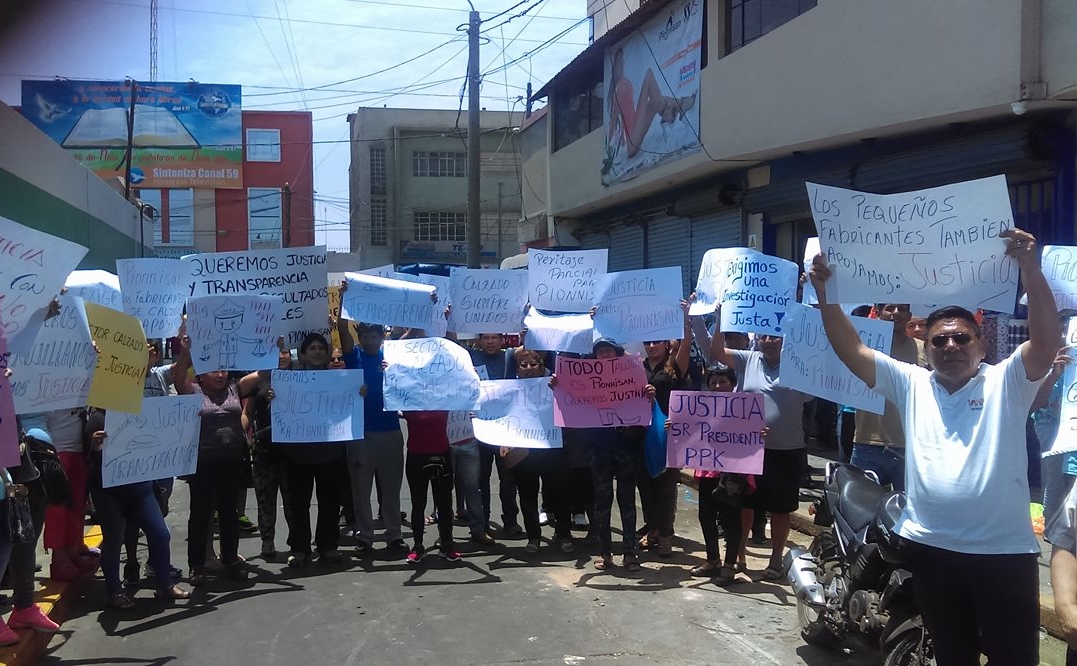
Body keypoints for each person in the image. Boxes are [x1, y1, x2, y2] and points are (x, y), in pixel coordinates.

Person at [810, 227, 1058, 665]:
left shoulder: (1008, 382)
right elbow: (850, 349)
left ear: (981, 346)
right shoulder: (912, 384)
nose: (950, 345)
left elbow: (1045, 343)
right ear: (927, 345)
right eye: (939, 339)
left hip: (1003, 556)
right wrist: (826, 294)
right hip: (933, 553)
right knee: (951, 656)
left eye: (962, 337)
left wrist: (1030, 271)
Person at [709, 321, 811, 581]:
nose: (768, 340)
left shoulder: (801, 365)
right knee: (745, 505)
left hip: (787, 448)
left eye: (774, 336)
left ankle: (776, 559)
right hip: (749, 448)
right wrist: (722, 318)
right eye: (763, 336)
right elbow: (718, 352)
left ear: (784, 339)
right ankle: (738, 553)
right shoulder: (748, 359)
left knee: (780, 508)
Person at [554, 338, 647, 572]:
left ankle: (629, 552)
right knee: (602, 503)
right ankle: (605, 552)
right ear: (594, 357)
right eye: (600, 352)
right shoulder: (587, 379)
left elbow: (643, 400)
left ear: (616, 353)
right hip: (600, 449)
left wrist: (649, 393)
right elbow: (569, 393)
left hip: (626, 447)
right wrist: (557, 384)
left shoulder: (632, 375)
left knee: (627, 501)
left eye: (609, 351)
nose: (604, 355)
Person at [173, 335, 260, 586]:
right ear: (200, 374)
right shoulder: (193, 391)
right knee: (200, 514)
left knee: (229, 513)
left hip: (231, 462)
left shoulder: (236, 387)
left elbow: (262, 373)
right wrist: (186, 352)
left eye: (223, 369)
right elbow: (179, 377)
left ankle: (230, 558)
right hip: (202, 463)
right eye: (213, 370)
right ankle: (197, 565)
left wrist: (271, 348)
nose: (220, 375)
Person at [84, 407, 190, 608]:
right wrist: (96, 447)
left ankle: (164, 584)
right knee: (114, 540)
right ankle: (114, 591)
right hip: (108, 492)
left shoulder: (142, 412)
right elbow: (88, 459)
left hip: (140, 486)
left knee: (160, 534)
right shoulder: (97, 418)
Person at [274, 333, 351, 567]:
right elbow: (270, 384)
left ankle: (328, 546)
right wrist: (272, 394)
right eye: (312, 349)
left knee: (329, 502)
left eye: (321, 348)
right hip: (298, 453)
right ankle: (299, 548)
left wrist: (359, 392)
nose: (317, 352)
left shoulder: (340, 378)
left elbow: (350, 406)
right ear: (303, 354)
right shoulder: (289, 379)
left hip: (331, 452)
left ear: (327, 353)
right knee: (298, 503)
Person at [339, 320, 407, 556]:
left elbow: (415, 336)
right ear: (360, 338)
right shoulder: (353, 356)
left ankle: (394, 534)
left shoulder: (393, 355)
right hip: (360, 433)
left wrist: (427, 306)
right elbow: (342, 331)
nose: (369, 341)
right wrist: (344, 308)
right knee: (361, 488)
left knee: (391, 488)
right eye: (365, 337)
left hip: (390, 430)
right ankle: (365, 536)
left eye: (373, 337)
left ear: (381, 337)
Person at [848, 303, 923, 491]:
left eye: (902, 309)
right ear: (878, 312)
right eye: (890, 308)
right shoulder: (863, 347)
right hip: (867, 443)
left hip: (910, 446)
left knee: (908, 512)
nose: (895, 313)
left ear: (909, 315)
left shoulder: (924, 349)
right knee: (861, 510)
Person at [638, 301, 692, 558]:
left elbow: (687, 345)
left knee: (666, 487)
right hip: (640, 434)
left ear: (667, 344)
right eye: (648, 342)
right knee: (645, 486)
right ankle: (652, 529)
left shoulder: (673, 368)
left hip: (669, 436)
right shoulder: (636, 367)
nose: (652, 346)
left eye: (657, 341)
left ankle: (666, 536)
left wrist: (685, 317)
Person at [509, 347, 573, 554]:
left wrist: (558, 390)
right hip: (524, 450)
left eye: (533, 364)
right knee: (527, 495)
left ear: (541, 367)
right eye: (523, 365)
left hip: (552, 449)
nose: (528, 368)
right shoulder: (509, 389)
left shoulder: (554, 386)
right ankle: (533, 537)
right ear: (518, 370)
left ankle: (563, 534)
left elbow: (571, 407)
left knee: (560, 493)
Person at [468, 333, 522, 537]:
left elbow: (536, 350)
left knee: (508, 478)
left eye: (494, 338)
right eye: (485, 338)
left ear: (502, 340)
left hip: (504, 429)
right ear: (479, 341)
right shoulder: (472, 357)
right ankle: (482, 523)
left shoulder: (510, 357)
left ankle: (510, 520)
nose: (490, 342)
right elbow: (450, 345)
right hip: (480, 428)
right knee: (480, 479)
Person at [607, 46, 697, 159]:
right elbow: (613, 121)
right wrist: (607, 151)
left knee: (656, 101)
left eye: (621, 58)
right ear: (614, 64)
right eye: (618, 60)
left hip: (636, 126)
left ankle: (673, 108)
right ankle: (674, 108)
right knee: (649, 75)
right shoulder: (617, 90)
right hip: (632, 139)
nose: (621, 62)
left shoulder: (626, 82)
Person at [401, 409, 461, 564]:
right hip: (416, 457)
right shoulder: (409, 400)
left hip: (441, 454)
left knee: (445, 503)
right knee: (418, 503)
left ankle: (447, 545)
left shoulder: (443, 398)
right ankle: (418, 546)